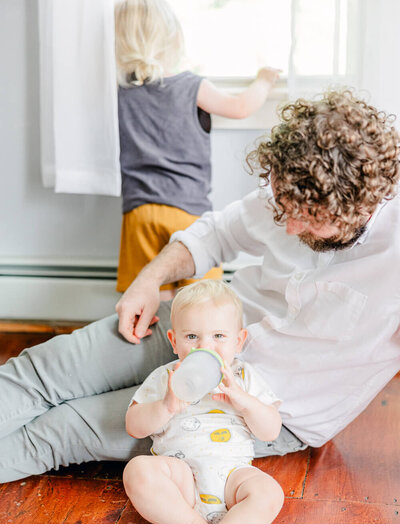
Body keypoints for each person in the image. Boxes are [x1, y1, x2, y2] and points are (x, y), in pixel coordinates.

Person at [1, 88, 399, 484]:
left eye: (309, 219)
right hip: (196, 331)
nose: (291, 227)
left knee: (64, 429)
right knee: (43, 370)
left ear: (360, 207)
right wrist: (149, 278)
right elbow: (216, 234)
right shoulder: (297, 184)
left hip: (262, 407)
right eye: (283, 209)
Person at [123, 279, 284, 524]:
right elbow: (134, 425)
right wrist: (167, 406)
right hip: (180, 480)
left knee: (270, 493)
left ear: (239, 341)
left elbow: (271, 430)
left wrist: (244, 402)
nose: (204, 347)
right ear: (174, 341)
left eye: (219, 336)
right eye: (192, 336)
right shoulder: (167, 377)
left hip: (232, 481)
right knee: (137, 471)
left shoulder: (243, 378)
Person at [114, 0, 280, 298]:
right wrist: (265, 81)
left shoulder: (121, 93)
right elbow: (241, 107)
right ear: (174, 38)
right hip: (186, 210)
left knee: (151, 296)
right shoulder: (191, 86)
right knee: (202, 302)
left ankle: (153, 345)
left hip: (138, 213)